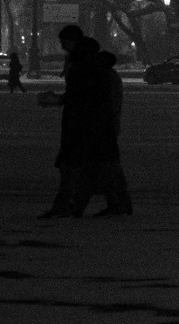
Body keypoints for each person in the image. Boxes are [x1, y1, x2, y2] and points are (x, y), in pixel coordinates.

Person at [36, 27, 101, 218]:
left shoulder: (80, 63)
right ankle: (73, 203)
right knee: (77, 164)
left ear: (73, 42)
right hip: (82, 119)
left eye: (64, 42)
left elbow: (78, 94)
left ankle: (65, 204)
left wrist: (59, 100)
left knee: (71, 164)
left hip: (79, 120)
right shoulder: (83, 60)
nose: (62, 46)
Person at [69, 50, 133, 217]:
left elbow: (96, 102)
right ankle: (120, 203)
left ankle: (80, 206)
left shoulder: (102, 78)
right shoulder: (111, 77)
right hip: (107, 128)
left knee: (93, 169)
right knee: (109, 169)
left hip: (100, 128)